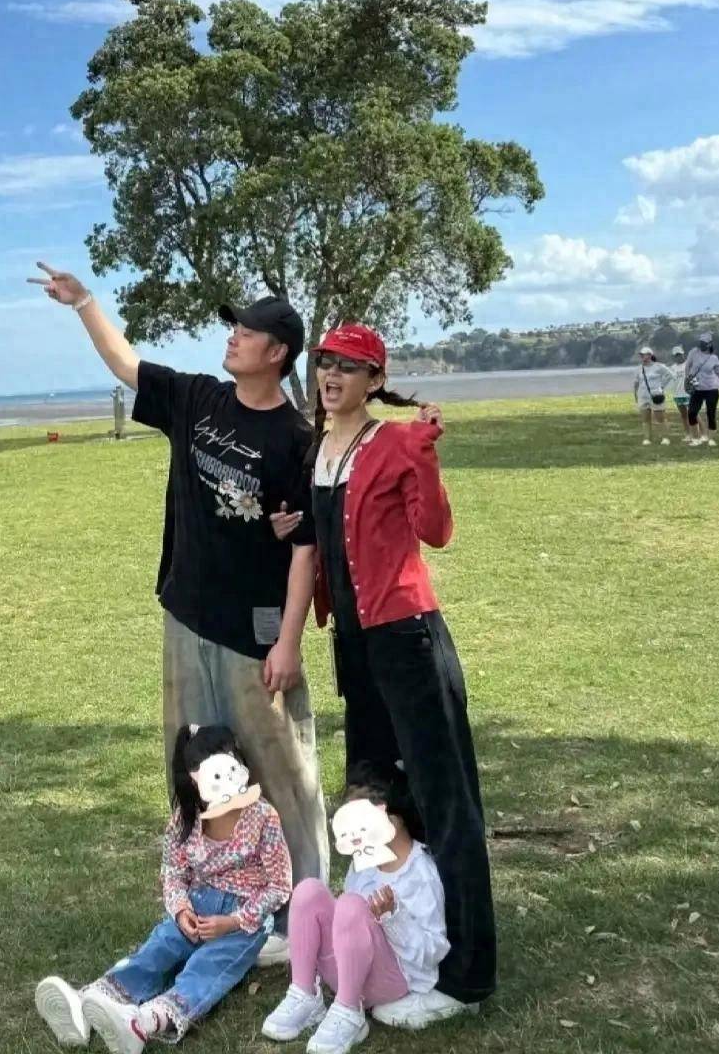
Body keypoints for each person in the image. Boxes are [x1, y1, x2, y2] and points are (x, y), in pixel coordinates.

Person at [29, 264, 330, 952]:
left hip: (254, 632)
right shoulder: (197, 398)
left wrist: (288, 642)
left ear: (277, 352)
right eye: (234, 327)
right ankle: (209, 900)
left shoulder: (295, 439)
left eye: (246, 331)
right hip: (187, 614)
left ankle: (302, 913)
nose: (233, 337)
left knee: (280, 767)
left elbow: (305, 549)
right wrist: (84, 303)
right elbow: (126, 364)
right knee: (198, 763)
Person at [270, 322, 495, 1021]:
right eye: (324, 364)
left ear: (375, 379)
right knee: (373, 800)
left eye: (348, 366)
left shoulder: (397, 441)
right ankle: (392, 947)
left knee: (444, 801)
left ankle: (465, 979)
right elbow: (323, 542)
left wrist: (425, 457)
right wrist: (290, 529)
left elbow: (436, 532)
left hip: (408, 640)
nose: (331, 376)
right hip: (357, 647)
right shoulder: (318, 451)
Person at [35, 724, 292, 1051]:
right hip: (196, 907)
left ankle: (143, 1023)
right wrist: (181, 910)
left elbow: (280, 884)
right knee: (158, 948)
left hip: (244, 923)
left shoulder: (263, 816)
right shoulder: (186, 819)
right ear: (195, 780)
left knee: (206, 969)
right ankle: (86, 1002)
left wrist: (233, 921)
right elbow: (173, 872)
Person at [262, 770, 449, 1053]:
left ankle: (350, 1012)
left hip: (393, 981)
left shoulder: (420, 872)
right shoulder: (363, 865)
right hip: (349, 970)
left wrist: (393, 917)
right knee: (308, 891)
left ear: (393, 819)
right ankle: (304, 993)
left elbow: (432, 952)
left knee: (350, 904)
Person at [684, 332, 719, 448]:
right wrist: (687, 379)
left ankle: (711, 439)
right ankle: (696, 438)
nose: (702, 345)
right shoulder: (693, 352)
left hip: (711, 389)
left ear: (709, 344)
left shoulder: (713, 358)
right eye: (701, 342)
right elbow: (687, 366)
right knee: (692, 413)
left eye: (704, 343)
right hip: (697, 388)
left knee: (711, 413)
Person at [632, 346, 673, 446]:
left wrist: (661, 386)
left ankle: (665, 437)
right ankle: (647, 438)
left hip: (656, 396)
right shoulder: (639, 369)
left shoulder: (659, 366)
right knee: (645, 419)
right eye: (641, 355)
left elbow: (670, 375)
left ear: (650, 355)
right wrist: (636, 396)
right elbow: (636, 383)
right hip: (643, 396)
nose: (642, 357)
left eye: (644, 355)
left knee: (660, 418)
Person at [668, 345, 691, 440]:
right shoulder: (672, 368)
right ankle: (688, 434)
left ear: (683, 354)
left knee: (693, 415)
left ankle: (700, 434)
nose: (679, 357)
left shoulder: (688, 365)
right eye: (676, 355)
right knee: (684, 416)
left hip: (688, 394)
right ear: (674, 356)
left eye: (680, 354)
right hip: (678, 394)